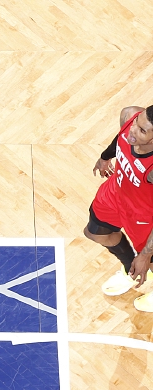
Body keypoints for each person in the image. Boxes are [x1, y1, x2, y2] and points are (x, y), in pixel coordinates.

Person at [85, 104, 153, 311]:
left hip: (144, 215)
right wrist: (105, 156)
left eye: (142, 131)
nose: (133, 130)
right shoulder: (130, 115)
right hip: (117, 193)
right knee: (96, 232)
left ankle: (144, 265)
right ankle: (130, 268)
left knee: (150, 260)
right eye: (136, 123)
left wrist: (145, 255)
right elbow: (122, 138)